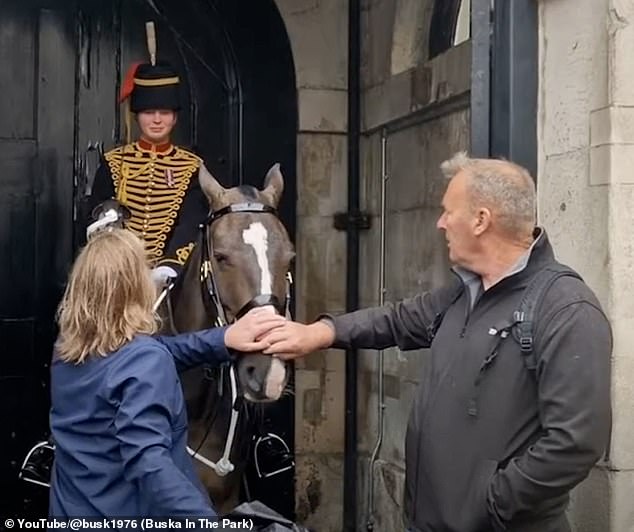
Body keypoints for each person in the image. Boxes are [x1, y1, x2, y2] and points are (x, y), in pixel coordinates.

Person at [261, 153, 612, 532]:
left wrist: (492, 504)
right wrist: (317, 333)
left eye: (448, 211)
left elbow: (576, 442)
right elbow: (396, 320)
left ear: (481, 220)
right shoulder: (466, 294)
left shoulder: (566, 309)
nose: (440, 222)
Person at [49, 228, 285, 520]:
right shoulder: (145, 359)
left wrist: (224, 339)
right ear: (136, 287)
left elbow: (155, 351)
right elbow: (149, 464)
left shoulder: (65, 351)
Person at [87, 57, 209, 286]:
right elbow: (92, 217)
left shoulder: (192, 167)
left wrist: (170, 264)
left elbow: (191, 222)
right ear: (137, 115)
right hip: (117, 274)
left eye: (164, 112)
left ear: (174, 117)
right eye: (148, 112)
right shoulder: (113, 163)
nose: (156, 120)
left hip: (170, 277)